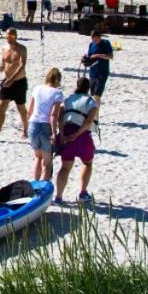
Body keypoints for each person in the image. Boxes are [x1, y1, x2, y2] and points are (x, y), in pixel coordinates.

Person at [54, 77, 100, 205]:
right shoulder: (91, 102)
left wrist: (62, 134)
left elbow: (60, 118)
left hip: (66, 131)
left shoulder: (68, 99)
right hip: (82, 135)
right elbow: (89, 121)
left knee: (65, 167)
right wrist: (76, 135)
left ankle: (58, 197)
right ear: (88, 88)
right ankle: (83, 193)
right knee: (87, 163)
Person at [0, 27, 28, 143]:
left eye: (11, 36)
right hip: (6, 81)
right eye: (7, 35)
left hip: (19, 82)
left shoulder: (22, 49)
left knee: (21, 108)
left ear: (16, 36)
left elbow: (22, 65)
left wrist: (12, 79)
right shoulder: (4, 48)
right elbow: (3, 61)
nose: (9, 38)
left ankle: (25, 129)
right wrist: (1, 66)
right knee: (1, 108)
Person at [25, 67, 64, 182]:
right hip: (46, 125)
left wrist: (26, 128)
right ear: (58, 80)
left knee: (38, 157)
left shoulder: (37, 89)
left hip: (33, 123)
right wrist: (53, 132)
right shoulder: (57, 93)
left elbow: (29, 111)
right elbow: (53, 115)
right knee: (47, 163)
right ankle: (42, 189)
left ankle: (35, 183)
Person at [83, 30, 113, 100]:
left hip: (102, 73)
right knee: (92, 94)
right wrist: (85, 59)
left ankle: (96, 111)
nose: (94, 41)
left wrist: (98, 55)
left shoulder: (106, 43)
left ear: (99, 37)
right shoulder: (91, 44)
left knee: (97, 96)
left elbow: (110, 56)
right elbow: (90, 56)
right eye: (93, 40)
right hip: (93, 73)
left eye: (96, 40)